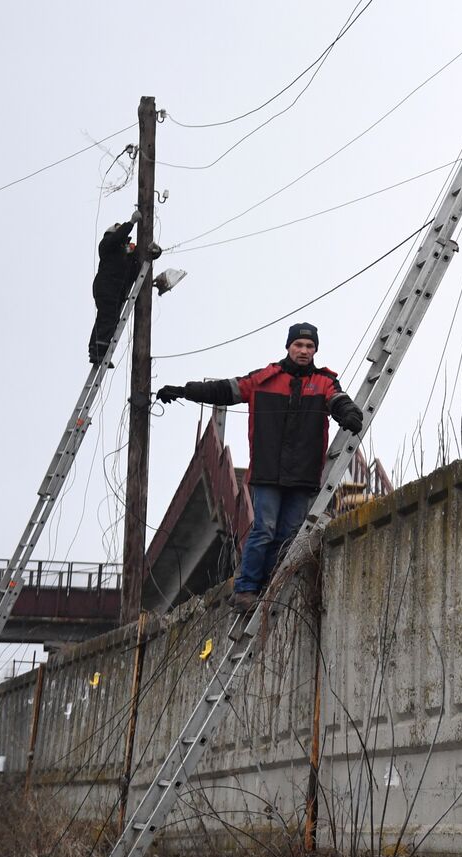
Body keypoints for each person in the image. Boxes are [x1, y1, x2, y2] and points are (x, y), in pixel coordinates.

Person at [157, 323, 364, 610]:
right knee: (264, 529)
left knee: (289, 535)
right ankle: (245, 590)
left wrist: (349, 414)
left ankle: (266, 587)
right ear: (288, 347)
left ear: (315, 350)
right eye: (299, 345)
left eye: (309, 346)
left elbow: (339, 401)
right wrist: (184, 391)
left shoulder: (324, 383)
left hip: (303, 476)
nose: (304, 351)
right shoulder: (264, 380)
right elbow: (222, 390)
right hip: (268, 473)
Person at [89, 211, 161, 364]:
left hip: (115, 290)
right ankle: (97, 350)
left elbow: (134, 266)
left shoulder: (122, 253)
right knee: (107, 317)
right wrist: (130, 223)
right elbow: (117, 239)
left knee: (109, 318)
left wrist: (153, 253)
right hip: (107, 286)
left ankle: (98, 350)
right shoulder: (107, 244)